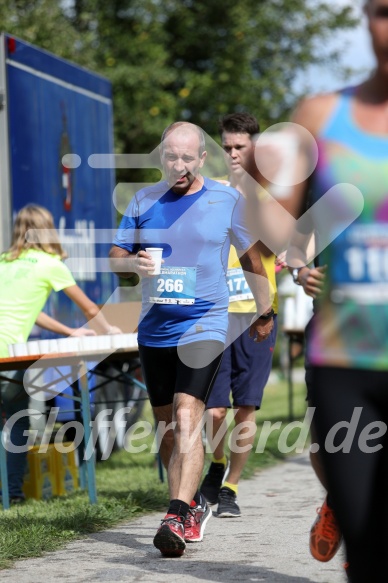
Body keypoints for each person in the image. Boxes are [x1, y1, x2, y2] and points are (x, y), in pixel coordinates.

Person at [259, 2, 388, 580]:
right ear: (365, 19)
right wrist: (296, 264)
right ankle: (341, 498)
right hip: (347, 355)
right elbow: (283, 225)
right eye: (384, 12)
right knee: (367, 544)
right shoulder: (321, 113)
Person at [109, 121, 274, 556]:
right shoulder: (143, 201)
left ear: (202, 159)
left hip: (205, 321)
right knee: (167, 427)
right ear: (160, 157)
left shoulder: (226, 199)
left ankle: (176, 512)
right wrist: (133, 266)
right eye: (170, 156)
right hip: (155, 328)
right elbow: (116, 257)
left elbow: (250, 255)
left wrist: (265, 308)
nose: (178, 165)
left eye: (187, 157)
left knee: (188, 416)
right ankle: (186, 509)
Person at [0, 204, 121, 502]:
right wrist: (109, 331)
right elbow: (90, 307)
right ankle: (12, 494)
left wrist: (69, 331)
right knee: (17, 420)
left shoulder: (4, 261)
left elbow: (30, 311)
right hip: (6, 356)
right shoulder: (50, 263)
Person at [200, 113, 278, 518]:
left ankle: (230, 486)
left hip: (256, 315)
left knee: (246, 407)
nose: (231, 153)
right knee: (214, 410)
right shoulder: (210, 192)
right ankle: (215, 465)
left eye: (239, 147)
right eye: (226, 146)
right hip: (215, 311)